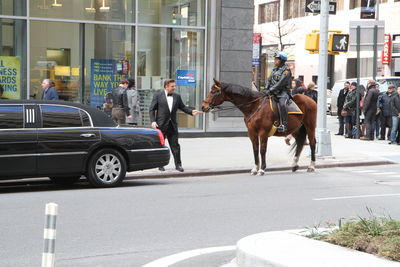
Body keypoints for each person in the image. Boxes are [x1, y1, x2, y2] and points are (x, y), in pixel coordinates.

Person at [149, 79, 202, 172]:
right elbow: (151, 109)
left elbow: (183, 107)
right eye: (172, 86)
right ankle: (160, 165)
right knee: (160, 145)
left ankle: (178, 165)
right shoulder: (158, 95)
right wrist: (153, 121)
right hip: (161, 125)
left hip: (172, 125)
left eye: (174, 86)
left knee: (175, 146)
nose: (174, 88)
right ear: (166, 86)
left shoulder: (177, 96)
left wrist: (191, 112)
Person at [263, 51, 292, 133]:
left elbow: (280, 83)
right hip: (272, 93)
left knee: (282, 105)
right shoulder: (274, 69)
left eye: (277, 59)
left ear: (282, 61)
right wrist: (265, 89)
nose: (275, 61)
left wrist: (270, 90)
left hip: (282, 93)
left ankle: (284, 125)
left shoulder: (286, 70)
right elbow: (269, 80)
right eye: (275, 59)